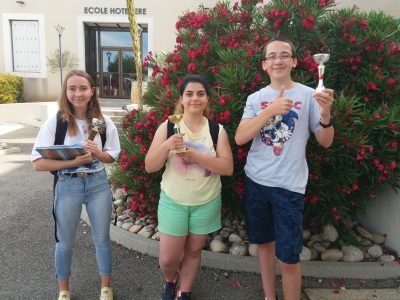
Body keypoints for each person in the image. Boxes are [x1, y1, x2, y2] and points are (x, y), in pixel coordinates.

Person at [235, 37, 334, 300]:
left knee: (289, 258)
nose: (278, 60)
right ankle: (270, 296)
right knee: (265, 246)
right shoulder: (256, 98)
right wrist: (270, 111)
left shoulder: (309, 95)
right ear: (264, 65)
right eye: (272, 56)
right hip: (256, 181)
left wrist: (325, 116)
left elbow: (325, 141)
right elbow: (240, 137)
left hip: (289, 187)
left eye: (284, 55)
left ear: (294, 61)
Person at [31, 70, 120, 300]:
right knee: (65, 241)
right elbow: (38, 163)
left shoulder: (103, 122)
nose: (78, 93)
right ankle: (63, 291)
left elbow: (112, 156)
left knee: (101, 239)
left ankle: (106, 288)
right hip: (67, 184)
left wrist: (98, 153)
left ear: (92, 91)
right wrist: (73, 161)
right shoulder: (57, 122)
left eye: (83, 88)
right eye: (72, 88)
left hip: (98, 184)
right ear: (65, 91)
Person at [145, 74, 233, 300]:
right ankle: (170, 280)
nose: (195, 98)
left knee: (194, 250)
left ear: (207, 99)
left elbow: (227, 168)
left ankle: (184, 291)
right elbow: (150, 166)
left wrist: (195, 156)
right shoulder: (169, 127)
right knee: (168, 259)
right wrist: (167, 145)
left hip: (206, 201)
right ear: (181, 99)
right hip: (174, 200)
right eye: (190, 94)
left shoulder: (216, 130)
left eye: (200, 94)